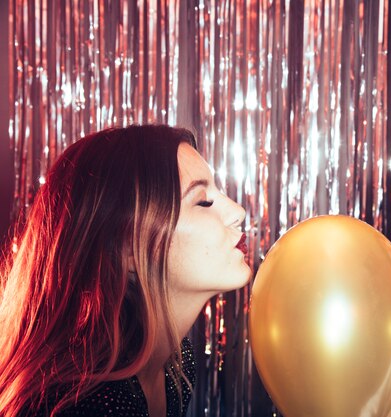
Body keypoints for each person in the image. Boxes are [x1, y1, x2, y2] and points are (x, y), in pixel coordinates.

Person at [0, 125, 251, 417]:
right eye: (203, 201)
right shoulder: (89, 404)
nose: (238, 212)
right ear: (128, 246)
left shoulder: (175, 367)